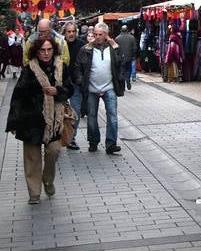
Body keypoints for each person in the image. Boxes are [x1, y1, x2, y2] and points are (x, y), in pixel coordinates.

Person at [5, 36, 74, 204]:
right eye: (42, 50)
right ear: (36, 51)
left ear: (54, 50)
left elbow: (70, 88)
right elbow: (18, 96)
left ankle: (48, 180)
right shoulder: (29, 69)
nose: (46, 53)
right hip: (31, 121)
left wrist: (57, 91)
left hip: (53, 121)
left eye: (49, 49)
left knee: (54, 152)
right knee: (32, 158)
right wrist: (14, 122)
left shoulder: (61, 67)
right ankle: (34, 194)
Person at [75, 22, 124, 154]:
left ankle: (111, 144)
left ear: (106, 35)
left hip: (109, 87)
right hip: (91, 88)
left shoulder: (113, 48)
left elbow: (121, 63)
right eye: (95, 34)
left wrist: (114, 44)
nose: (97, 37)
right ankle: (93, 141)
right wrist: (80, 81)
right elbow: (78, 66)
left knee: (112, 116)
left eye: (100, 35)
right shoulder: (86, 49)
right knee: (91, 116)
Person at [61, 21, 85, 150]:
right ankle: (60, 137)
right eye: (69, 31)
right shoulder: (59, 44)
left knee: (75, 112)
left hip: (76, 84)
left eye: (73, 31)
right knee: (61, 114)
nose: (71, 34)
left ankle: (71, 139)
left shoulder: (81, 45)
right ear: (64, 32)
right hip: (62, 84)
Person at [115, 24, 137, 90]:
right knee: (128, 70)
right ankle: (127, 80)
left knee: (122, 71)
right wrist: (133, 55)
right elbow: (135, 48)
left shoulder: (117, 38)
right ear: (127, 30)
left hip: (121, 58)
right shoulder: (132, 38)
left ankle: (123, 85)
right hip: (129, 57)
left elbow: (116, 49)